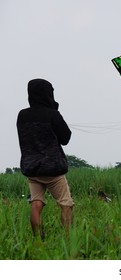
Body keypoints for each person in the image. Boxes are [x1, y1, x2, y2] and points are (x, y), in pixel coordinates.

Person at [16, 78, 74, 239]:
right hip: (53, 170)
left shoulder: (22, 115)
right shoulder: (53, 114)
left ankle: (38, 240)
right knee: (66, 204)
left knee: (36, 203)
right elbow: (65, 138)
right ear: (48, 94)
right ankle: (68, 239)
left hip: (32, 169)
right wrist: (54, 111)